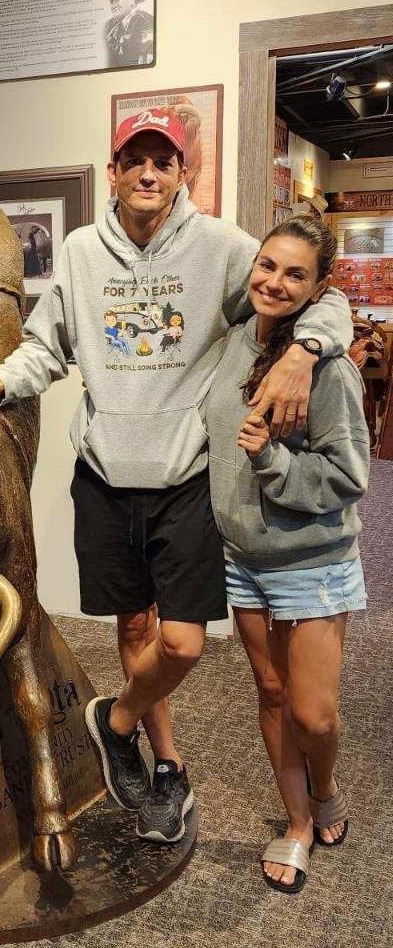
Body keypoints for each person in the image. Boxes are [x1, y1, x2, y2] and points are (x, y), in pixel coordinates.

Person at [0, 107, 352, 845]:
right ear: (114, 170)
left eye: (163, 160)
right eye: (135, 159)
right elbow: (47, 347)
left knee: (184, 642)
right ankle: (163, 768)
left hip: (185, 474)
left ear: (182, 172)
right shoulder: (76, 251)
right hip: (102, 474)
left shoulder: (224, 248)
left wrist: (305, 351)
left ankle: (114, 720)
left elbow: (311, 291)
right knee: (133, 627)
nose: (148, 173)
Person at [204, 216, 368, 893]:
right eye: (267, 265)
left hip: (313, 560)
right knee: (269, 692)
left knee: (312, 713)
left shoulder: (327, 368)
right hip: (242, 556)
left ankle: (324, 785)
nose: (274, 281)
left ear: (318, 287)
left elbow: (348, 475)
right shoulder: (235, 340)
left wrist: (270, 460)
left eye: (294, 273)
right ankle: (297, 821)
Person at [101, 0, 155, 68]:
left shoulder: (145, 21)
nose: (113, 5)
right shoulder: (110, 26)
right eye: (111, 1)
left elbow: (146, 58)